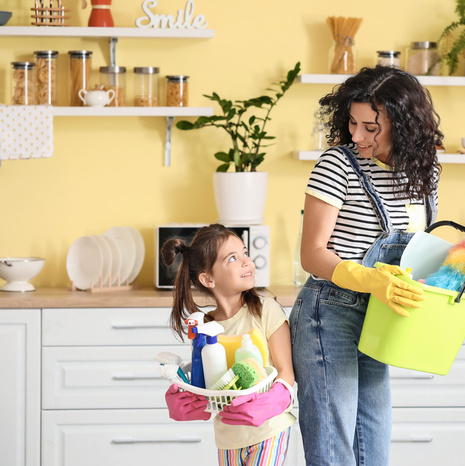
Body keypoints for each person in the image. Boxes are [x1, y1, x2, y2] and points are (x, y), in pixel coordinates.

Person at [289, 65, 444, 466]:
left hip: (380, 317)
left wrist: (452, 300)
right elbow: (312, 253)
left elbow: (419, 255)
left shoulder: (424, 173)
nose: (357, 136)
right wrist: (370, 278)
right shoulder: (336, 165)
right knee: (334, 452)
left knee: (372, 450)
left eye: (371, 127)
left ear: (404, 124)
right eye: (353, 123)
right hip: (330, 315)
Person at [161, 224, 295, 466]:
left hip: (269, 429)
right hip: (228, 437)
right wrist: (186, 398)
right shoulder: (204, 328)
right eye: (232, 258)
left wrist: (273, 400)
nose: (246, 262)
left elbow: (286, 372)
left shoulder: (266, 311)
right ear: (208, 279)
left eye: (245, 253)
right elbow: (207, 385)